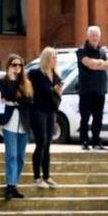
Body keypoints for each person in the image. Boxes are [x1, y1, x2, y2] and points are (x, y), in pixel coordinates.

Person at [0, 53, 32, 199]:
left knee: (20, 157)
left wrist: (15, 102)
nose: (17, 68)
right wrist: (11, 78)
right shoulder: (2, 82)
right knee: (11, 155)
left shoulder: (26, 83)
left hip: (23, 124)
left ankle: (14, 184)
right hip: (9, 123)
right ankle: (10, 186)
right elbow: (7, 95)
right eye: (14, 65)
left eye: (20, 65)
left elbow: (28, 101)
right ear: (9, 67)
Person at [29, 46, 62, 188]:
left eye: (55, 57)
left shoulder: (56, 75)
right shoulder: (36, 73)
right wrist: (51, 90)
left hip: (51, 111)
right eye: (52, 57)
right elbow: (36, 91)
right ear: (46, 58)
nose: (54, 60)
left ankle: (47, 176)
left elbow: (57, 96)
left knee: (48, 143)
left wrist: (58, 92)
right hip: (38, 110)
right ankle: (37, 177)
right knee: (41, 141)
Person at [76, 24, 108, 150]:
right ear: (88, 36)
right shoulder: (82, 50)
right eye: (92, 35)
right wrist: (100, 64)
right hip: (86, 90)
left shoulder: (102, 51)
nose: (94, 37)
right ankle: (84, 141)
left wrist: (98, 64)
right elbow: (89, 64)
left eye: (97, 35)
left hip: (100, 89)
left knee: (98, 117)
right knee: (85, 117)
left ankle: (96, 141)